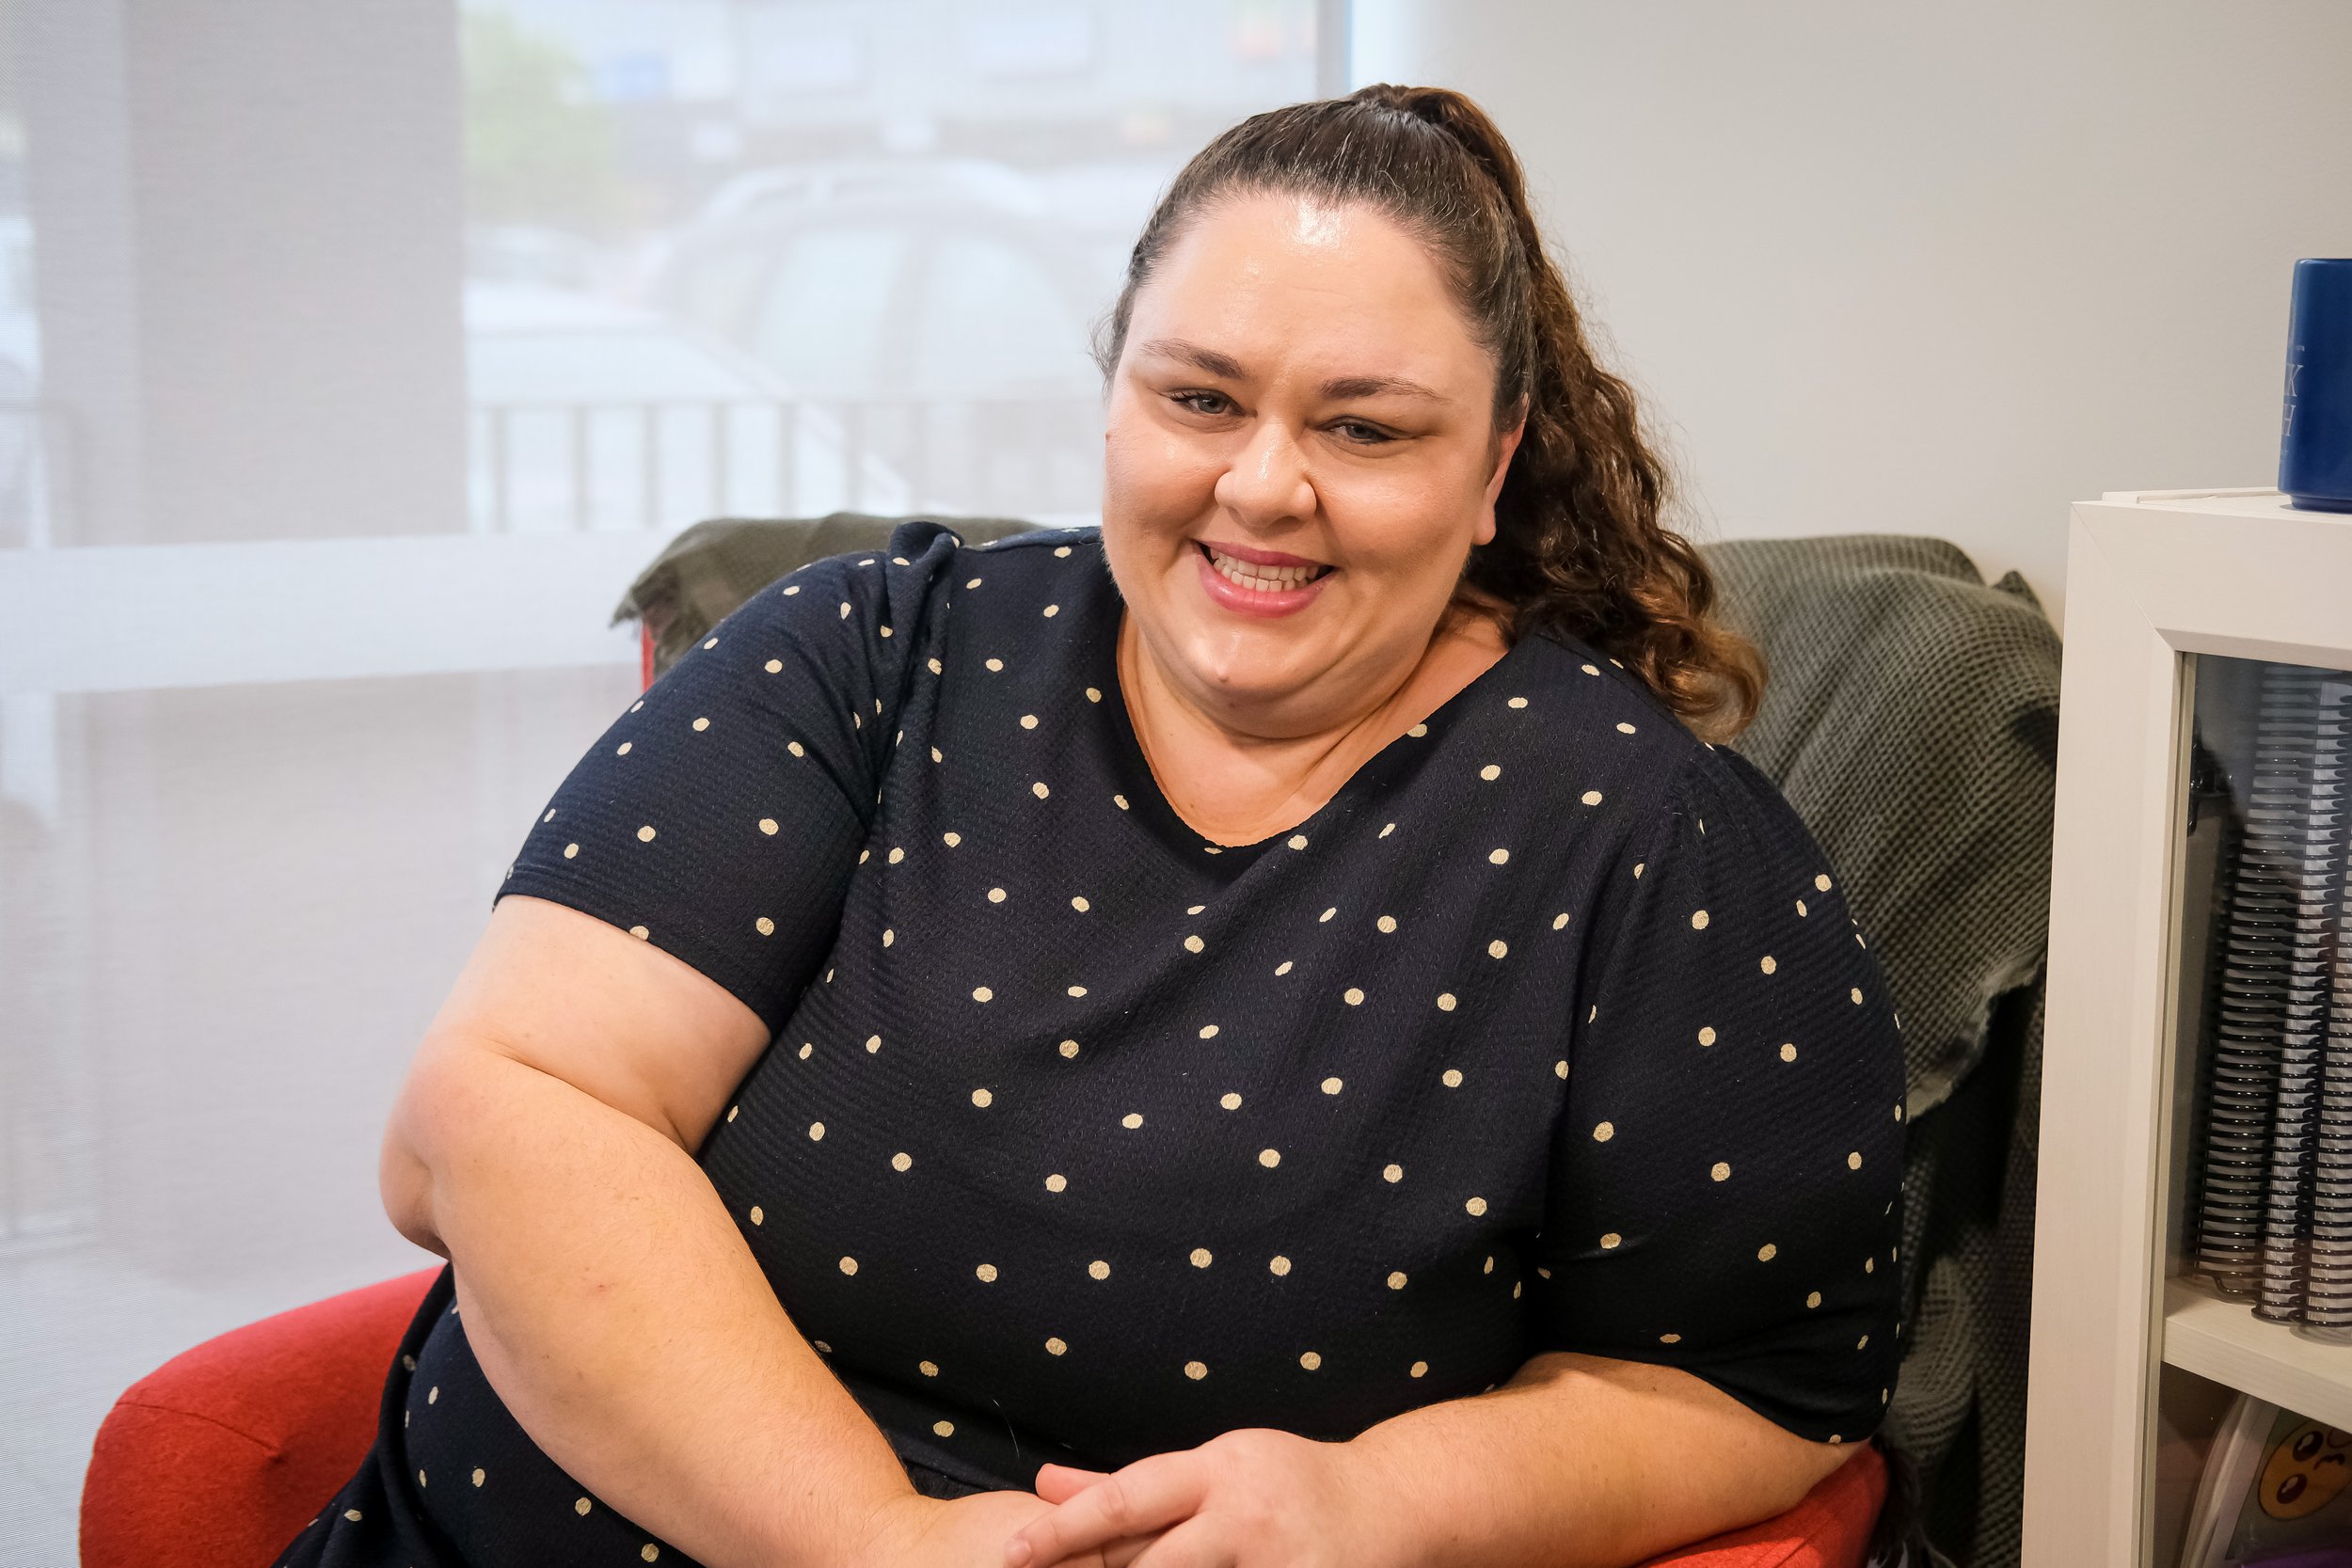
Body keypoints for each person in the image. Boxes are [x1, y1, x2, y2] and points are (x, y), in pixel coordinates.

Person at [278, 85, 1905, 1568]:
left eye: (1366, 427)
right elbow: (481, 1122)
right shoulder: (872, 657)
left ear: (1495, 466)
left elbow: (1758, 1379)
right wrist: (865, 1543)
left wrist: (1382, 1503)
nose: (1264, 488)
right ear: (1115, 394)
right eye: (1200, 398)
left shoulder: (1647, 845)